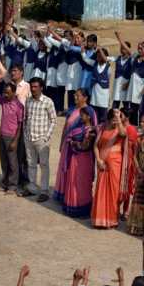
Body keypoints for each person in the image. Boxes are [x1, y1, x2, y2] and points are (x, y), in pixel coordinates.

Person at [53, 88, 97, 216]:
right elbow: (66, 127)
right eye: (74, 96)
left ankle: (77, 200)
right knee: (66, 171)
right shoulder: (72, 110)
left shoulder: (90, 112)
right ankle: (66, 196)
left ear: (85, 98)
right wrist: (62, 143)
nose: (75, 98)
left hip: (82, 150)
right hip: (68, 146)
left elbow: (94, 130)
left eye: (78, 96)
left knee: (77, 176)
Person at [91, 109, 129, 229]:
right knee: (101, 190)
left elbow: (123, 134)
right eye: (112, 117)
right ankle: (99, 220)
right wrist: (98, 160)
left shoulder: (120, 128)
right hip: (102, 163)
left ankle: (112, 219)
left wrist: (118, 121)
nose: (115, 119)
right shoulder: (103, 128)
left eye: (117, 117)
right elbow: (96, 146)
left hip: (115, 164)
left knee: (113, 191)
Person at [21, 77, 56, 202]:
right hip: (29, 138)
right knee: (31, 164)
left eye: (36, 87)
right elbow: (26, 119)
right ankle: (32, 188)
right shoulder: (28, 101)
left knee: (44, 165)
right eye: (32, 87)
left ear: (41, 87)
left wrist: (46, 136)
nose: (33, 89)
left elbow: (53, 120)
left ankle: (45, 191)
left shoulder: (48, 101)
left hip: (42, 139)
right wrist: (25, 134)